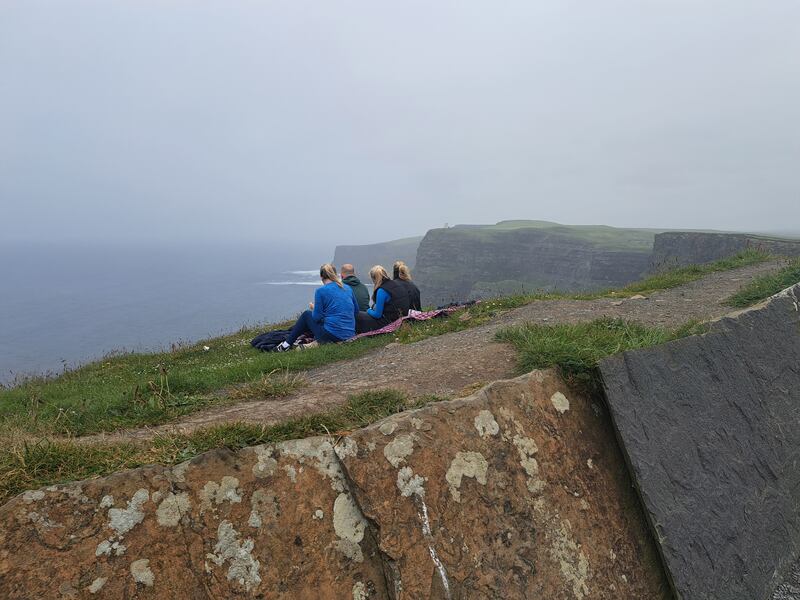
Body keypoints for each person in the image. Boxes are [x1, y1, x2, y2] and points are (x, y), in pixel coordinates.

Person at [275, 263, 358, 351]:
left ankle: (286, 345)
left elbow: (316, 317)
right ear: (335, 274)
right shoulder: (347, 288)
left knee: (306, 315)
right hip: (350, 334)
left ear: (321, 277)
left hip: (333, 336)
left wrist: (314, 308)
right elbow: (356, 311)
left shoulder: (321, 291)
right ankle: (290, 344)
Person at [355, 265, 411, 333]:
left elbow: (377, 315)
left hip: (389, 322)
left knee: (358, 315)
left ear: (374, 279)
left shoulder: (382, 290)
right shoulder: (396, 284)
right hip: (401, 318)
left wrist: (368, 310)